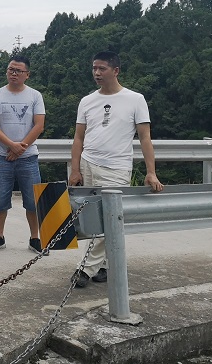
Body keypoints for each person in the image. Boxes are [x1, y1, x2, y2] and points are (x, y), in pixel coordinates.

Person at [68, 51, 164, 288]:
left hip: (116, 167)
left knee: (108, 217)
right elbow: (79, 137)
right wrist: (75, 169)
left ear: (116, 71)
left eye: (102, 68)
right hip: (88, 163)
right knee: (92, 220)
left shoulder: (135, 99)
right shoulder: (87, 101)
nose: (97, 73)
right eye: (94, 68)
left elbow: (145, 137)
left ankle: (85, 268)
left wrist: (151, 171)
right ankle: (104, 266)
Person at [0, 56, 46, 254]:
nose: (13, 73)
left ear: (27, 74)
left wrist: (21, 148)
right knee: (0, 200)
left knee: (32, 201)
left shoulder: (35, 96)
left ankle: (35, 238)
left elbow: (39, 125)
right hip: (2, 156)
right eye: (11, 69)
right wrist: (12, 146)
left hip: (29, 157)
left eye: (18, 71)